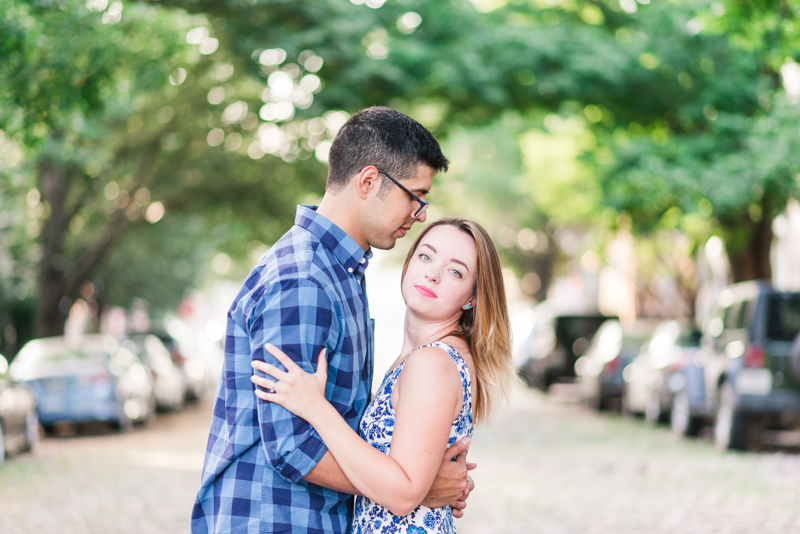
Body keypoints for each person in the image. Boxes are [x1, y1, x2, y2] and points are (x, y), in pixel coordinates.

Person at [192, 107, 475, 534]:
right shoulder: (303, 280)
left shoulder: (341, 272)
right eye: (414, 197)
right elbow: (291, 446)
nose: (419, 214)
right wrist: (415, 489)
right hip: (274, 520)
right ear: (369, 181)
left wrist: (411, 479)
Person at [251, 218, 515, 533]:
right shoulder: (426, 357)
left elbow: (404, 494)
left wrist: (316, 408)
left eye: (455, 271)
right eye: (426, 256)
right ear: (409, 262)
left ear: (471, 297)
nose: (432, 273)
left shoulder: (431, 362)